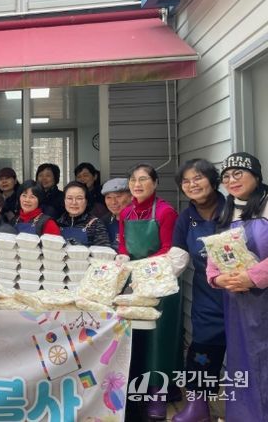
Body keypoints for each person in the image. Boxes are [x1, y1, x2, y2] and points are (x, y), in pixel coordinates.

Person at [206, 152, 268, 420]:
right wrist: (218, 278)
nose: (231, 180)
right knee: (243, 360)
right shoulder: (227, 211)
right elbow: (215, 256)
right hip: (238, 304)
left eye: (238, 173)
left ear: (256, 176)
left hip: (263, 299)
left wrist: (252, 277)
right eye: (226, 176)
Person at [118, 163, 181, 420]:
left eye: (143, 179)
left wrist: (142, 267)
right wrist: (123, 258)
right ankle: (136, 388)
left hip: (160, 281)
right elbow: (123, 245)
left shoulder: (166, 212)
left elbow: (167, 248)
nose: (137, 184)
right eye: (133, 179)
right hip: (134, 283)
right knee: (136, 336)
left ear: (155, 183)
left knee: (160, 338)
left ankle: (159, 393)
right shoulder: (125, 213)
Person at [170, 159, 226, 422]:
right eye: (186, 181)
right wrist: (151, 280)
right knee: (202, 350)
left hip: (244, 294)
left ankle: (247, 406)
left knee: (246, 350)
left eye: (198, 178)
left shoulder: (233, 210)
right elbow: (177, 257)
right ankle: (198, 406)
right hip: (207, 296)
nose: (192, 184)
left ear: (213, 181)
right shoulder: (186, 218)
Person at [56, 181, 110, 247]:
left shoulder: (96, 224)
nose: (74, 202)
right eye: (69, 198)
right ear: (64, 200)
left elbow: (103, 250)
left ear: (86, 201)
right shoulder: (57, 223)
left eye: (79, 198)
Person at [101, 178, 132, 250]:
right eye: (108, 197)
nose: (113, 202)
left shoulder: (140, 220)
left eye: (118, 196)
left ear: (131, 197)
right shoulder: (103, 222)